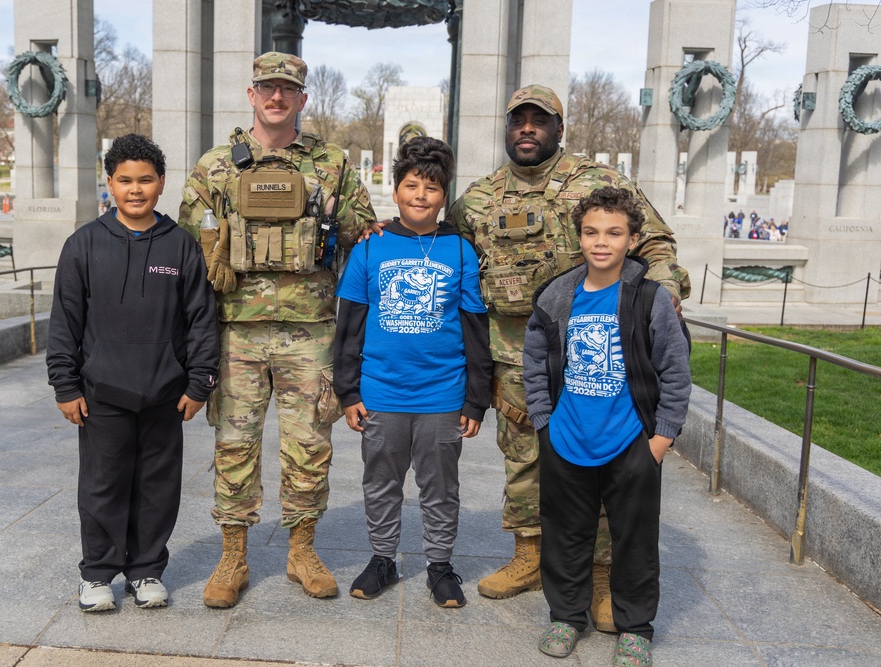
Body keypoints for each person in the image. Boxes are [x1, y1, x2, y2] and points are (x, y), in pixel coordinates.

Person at [446, 85, 689, 630]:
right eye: (518, 121)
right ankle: (529, 557)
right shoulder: (479, 200)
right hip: (515, 360)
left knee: (598, 466)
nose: (527, 129)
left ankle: (602, 579)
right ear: (507, 128)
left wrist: (663, 288)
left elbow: (656, 244)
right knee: (525, 466)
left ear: (558, 128)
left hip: (592, 355)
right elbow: (447, 257)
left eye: (539, 120)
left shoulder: (597, 183)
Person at [179, 51, 376, 608]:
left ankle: (301, 550)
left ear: (302, 99)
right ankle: (233, 556)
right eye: (267, 87)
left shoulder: (331, 163)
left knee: (310, 444)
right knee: (235, 445)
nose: (276, 97)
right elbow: (191, 244)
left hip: (310, 330)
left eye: (287, 89)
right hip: (236, 331)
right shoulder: (217, 166)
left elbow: (364, 237)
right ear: (251, 94)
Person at [47, 134, 220, 612]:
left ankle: (146, 570)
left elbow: (201, 320)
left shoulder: (182, 247)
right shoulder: (83, 245)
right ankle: (98, 574)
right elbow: (65, 321)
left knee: (158, 486)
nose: (136, 189)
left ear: (161, 184)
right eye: (125, 180)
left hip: (165, 394)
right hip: (102, 394)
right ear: (110, 184)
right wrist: (65, 384)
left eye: (146, 179)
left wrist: (200, 381)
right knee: (102, 485)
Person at [523, 186, 691, 664]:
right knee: (565, 534)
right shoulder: (557, 297)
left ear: (633, 239)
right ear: (579, 237)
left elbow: (674, 370)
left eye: (614, 233)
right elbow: (534, 360)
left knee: (635, 539)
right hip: (567, 439)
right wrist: (543, 421)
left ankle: (635, 626)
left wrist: (660, 439)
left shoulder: (650, 300)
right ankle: (566, 617)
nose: (602, 242)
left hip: (631, 444)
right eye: (592, 231)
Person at [334, 137, 493, 608]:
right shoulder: (371, 247)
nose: (420, 195)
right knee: (381, 481)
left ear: (444, 196)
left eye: (431, 187)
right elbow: (350, 326)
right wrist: (348, 391)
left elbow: (474, 327)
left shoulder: (460, 250)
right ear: (395, 189)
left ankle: (440, 566)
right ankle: (383, 558)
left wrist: (474, 398)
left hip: (442, 396)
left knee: (440, 487)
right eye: (411, 185)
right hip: (381, 392)